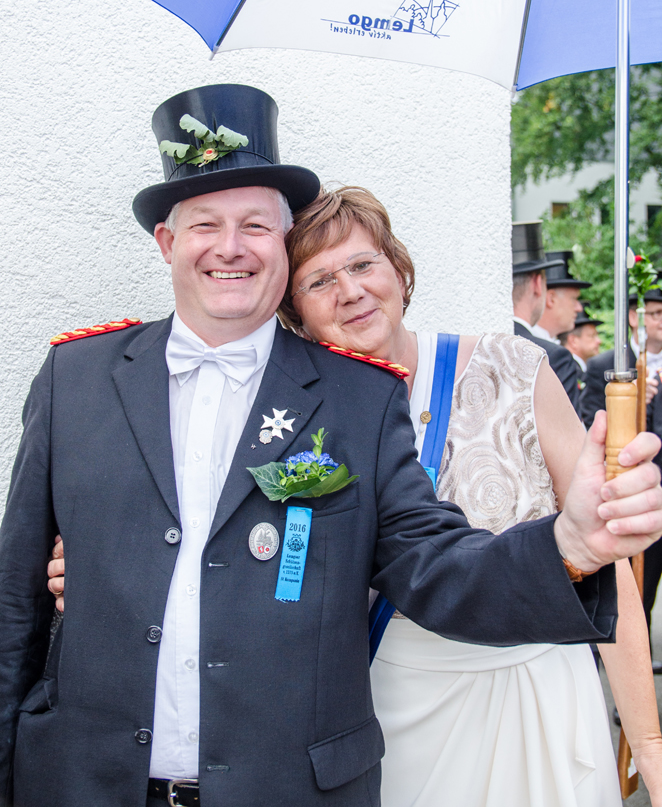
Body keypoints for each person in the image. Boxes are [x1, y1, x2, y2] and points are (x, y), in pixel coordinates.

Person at [2, 86, 662, 807]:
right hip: (79, 783)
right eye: (205, 224)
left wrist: (570, 543)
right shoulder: (75, 377)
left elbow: (437, 565)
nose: (230, 246)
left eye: (255, 225)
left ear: (281, 244)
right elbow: (16, 602)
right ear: (166, 242)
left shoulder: (361, 400)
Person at [275, 185, 662, 807]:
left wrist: (649, 744)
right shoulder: (298, 421)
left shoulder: (513, 368)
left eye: (363, 264)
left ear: (398, 270)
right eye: (319, 281)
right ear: (295, 313)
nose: (349, 290)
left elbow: (605, 559)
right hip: (394, 713)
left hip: (538, 695)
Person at [582, 287, 662, 645]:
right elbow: (589, 424)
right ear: (635, 317)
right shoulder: (605, 365)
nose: (661, 322)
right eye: (655, 314)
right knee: (629, 591)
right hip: (630, 495)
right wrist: (633, 403)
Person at [511, 222, 581, 412]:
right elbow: (567, 431)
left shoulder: (479, 346)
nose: (579, 307)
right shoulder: (552, 357)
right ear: (537, 283)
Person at [532, 250, 590, 343]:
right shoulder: (528, 344)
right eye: (573, 299)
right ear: (551, 299)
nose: (579, 308)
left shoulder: (547, 343)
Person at [559, 306, 603, 388]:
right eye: (592, 336)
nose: (599, 341)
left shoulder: (576, 369)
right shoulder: (568, 371)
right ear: (573, 341)